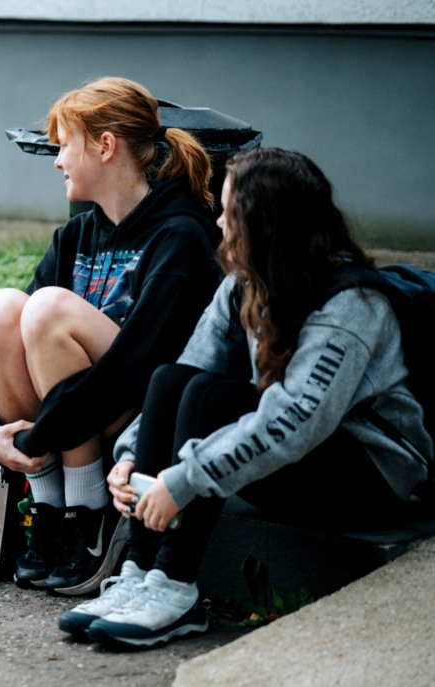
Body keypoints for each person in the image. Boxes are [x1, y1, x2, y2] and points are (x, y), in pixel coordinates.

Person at [59, 147, 433, 648]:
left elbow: (295, 422)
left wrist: (183, 479)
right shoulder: (243, 284)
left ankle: (173, 589)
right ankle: (138, 575)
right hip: (298, 459)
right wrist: (129, 455)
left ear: (266, 223)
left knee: (212, 400)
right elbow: (187, 371)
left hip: (369, 477)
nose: (217, 221)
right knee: (176, 379)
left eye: (229, 212)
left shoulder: (352, 306)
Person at [0, 77, 223, 595]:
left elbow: (137, 363)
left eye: (65, 145)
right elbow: (7, 343)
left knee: (47, 310)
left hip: (137, 406)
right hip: (77, 413)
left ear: (105, 147)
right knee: (0, 310)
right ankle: (46, 501)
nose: (57, 160)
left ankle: (88, 512)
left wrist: (40, 436)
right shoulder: (76, 235)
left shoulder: (180, 234)